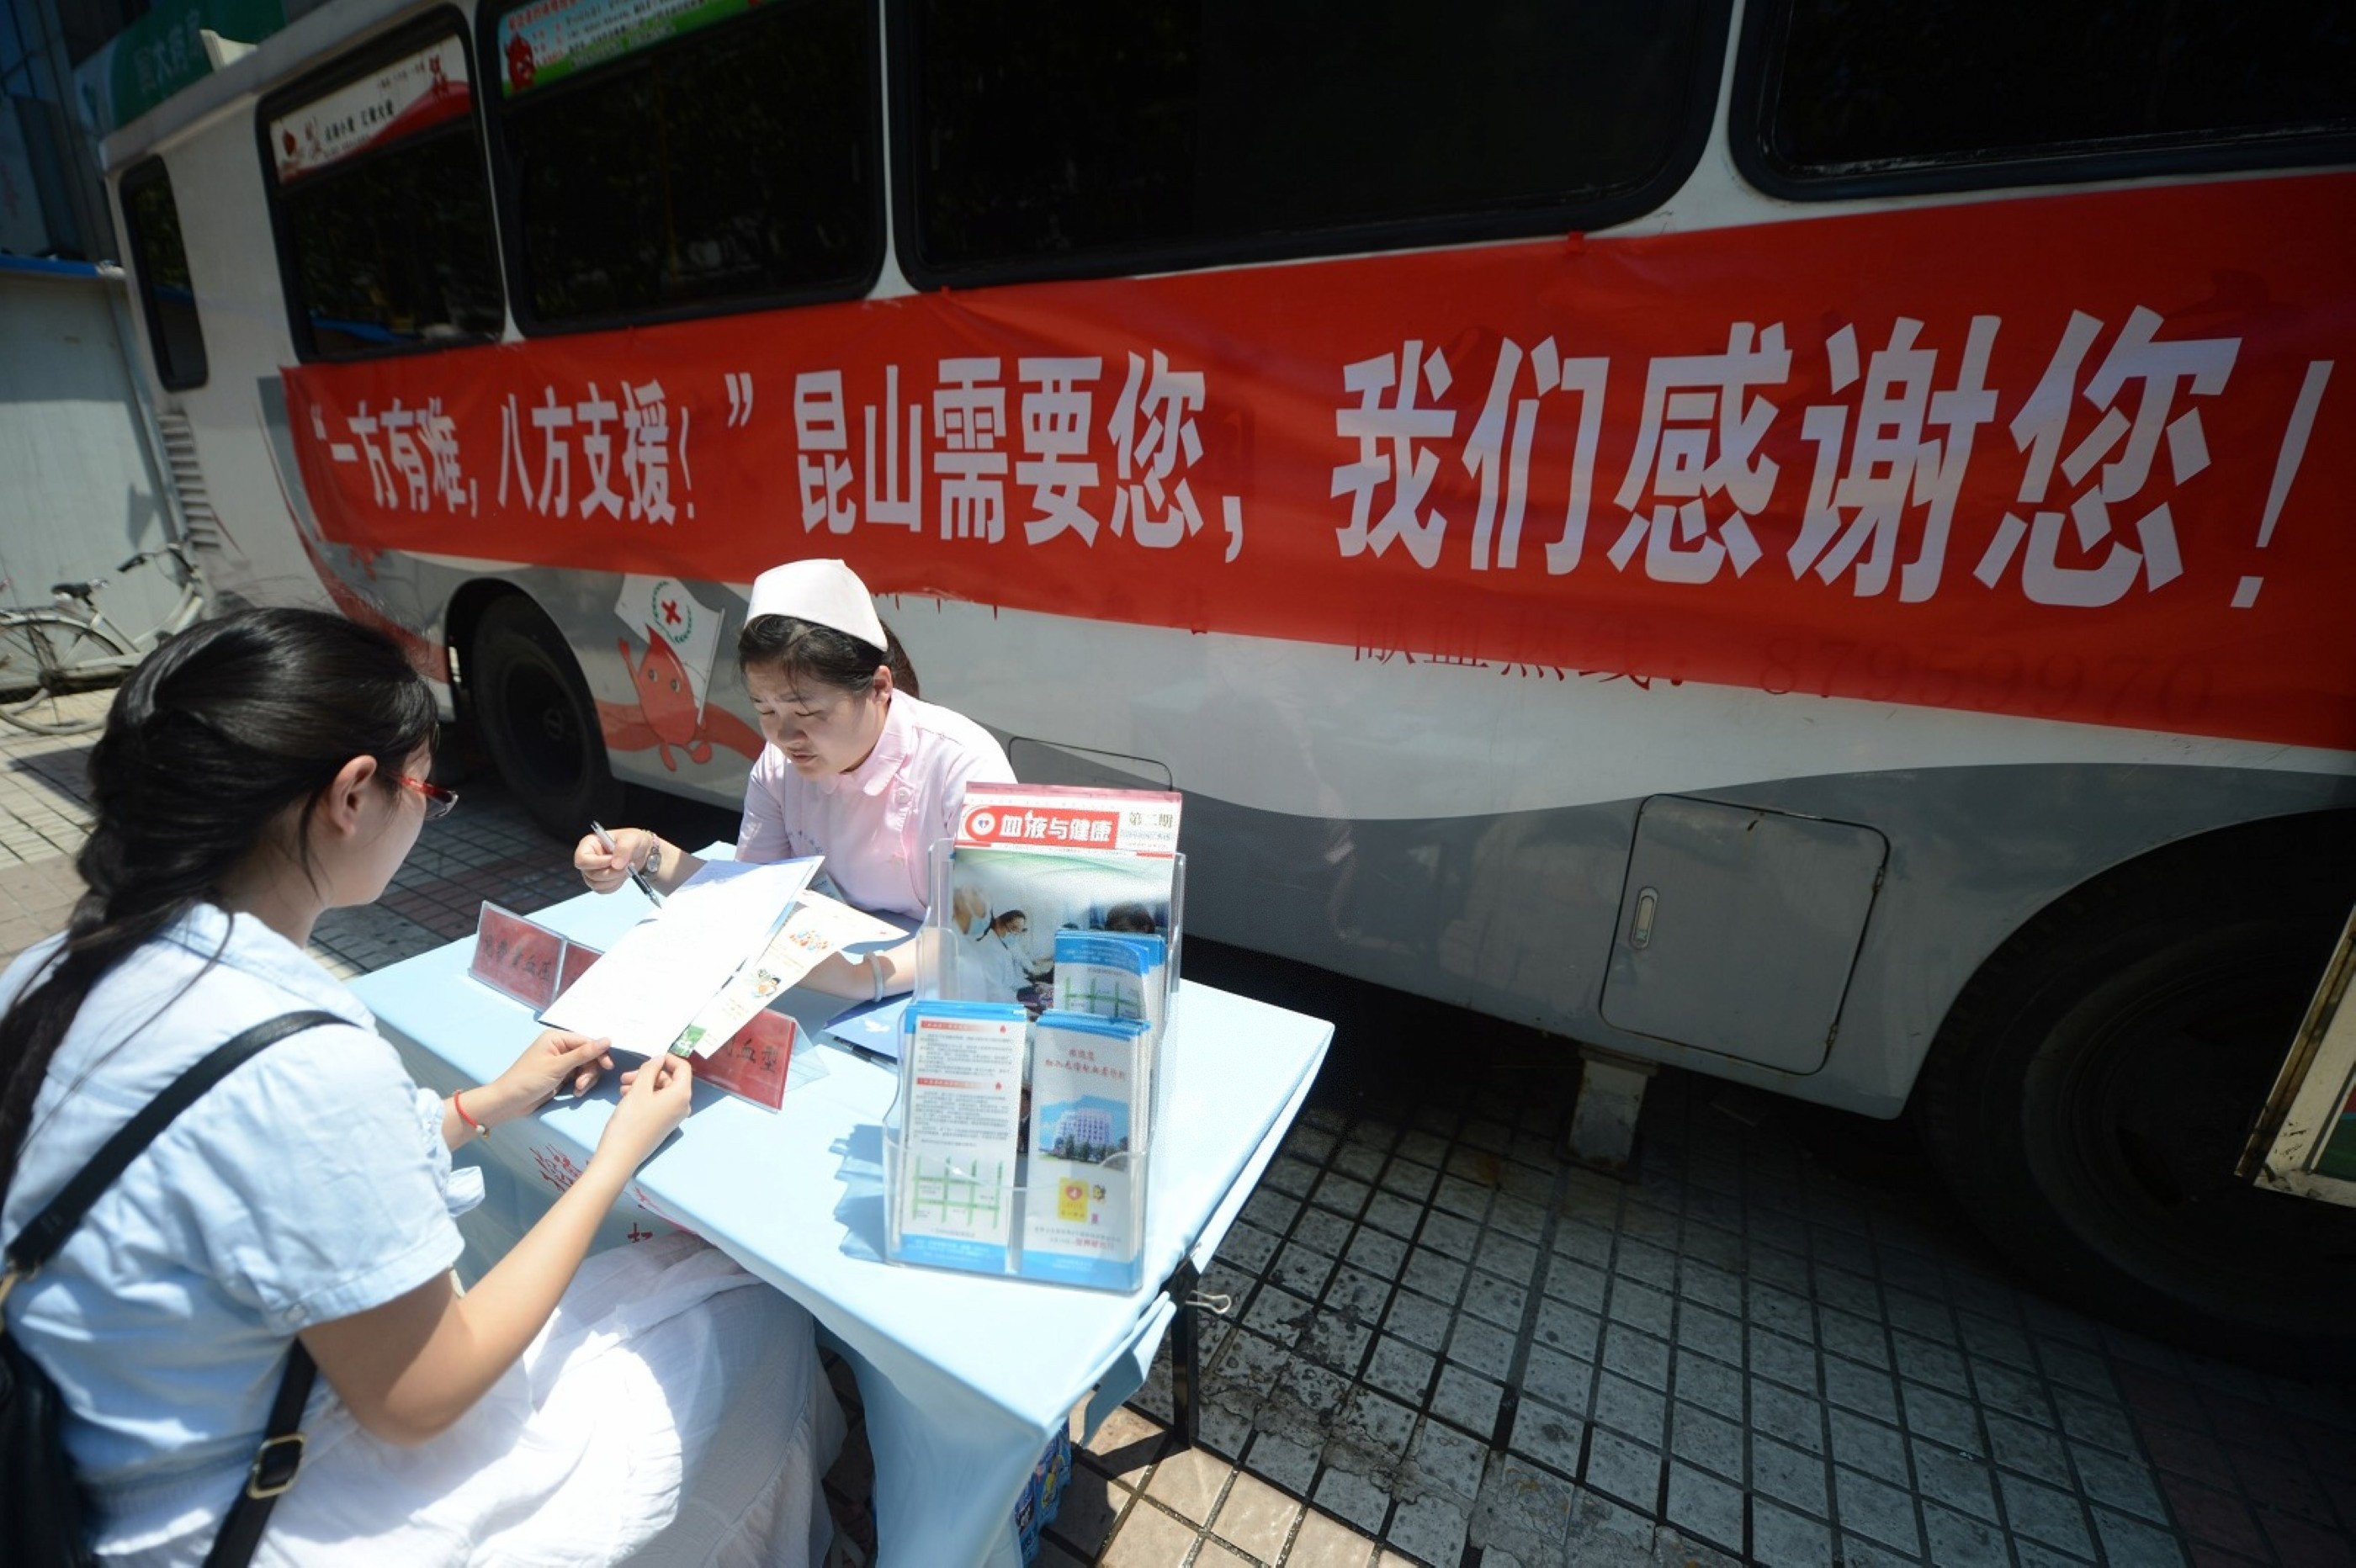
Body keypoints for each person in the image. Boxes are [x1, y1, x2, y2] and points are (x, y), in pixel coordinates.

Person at [0, 609, 840, 1567]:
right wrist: (616, 1159)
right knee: (744, 1308)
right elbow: (420, 1396)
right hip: (262, 1519)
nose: (427, 809)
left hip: (99, 1470)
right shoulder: (304, 1055)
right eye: (426, 788)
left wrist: (483, 1104)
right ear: (353, 794)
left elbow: (240, 1181)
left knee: (643, 1291)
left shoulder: (43, 974)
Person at [577, 559, 1016, 998]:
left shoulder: (963, 764)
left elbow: (982, 928)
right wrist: (647, 855)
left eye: (807, 712)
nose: (786, 736)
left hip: (939, 987)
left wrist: (866, 979)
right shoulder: (777, 769)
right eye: (765, 710)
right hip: (831, 977)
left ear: (880, 688)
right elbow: (751, 890)